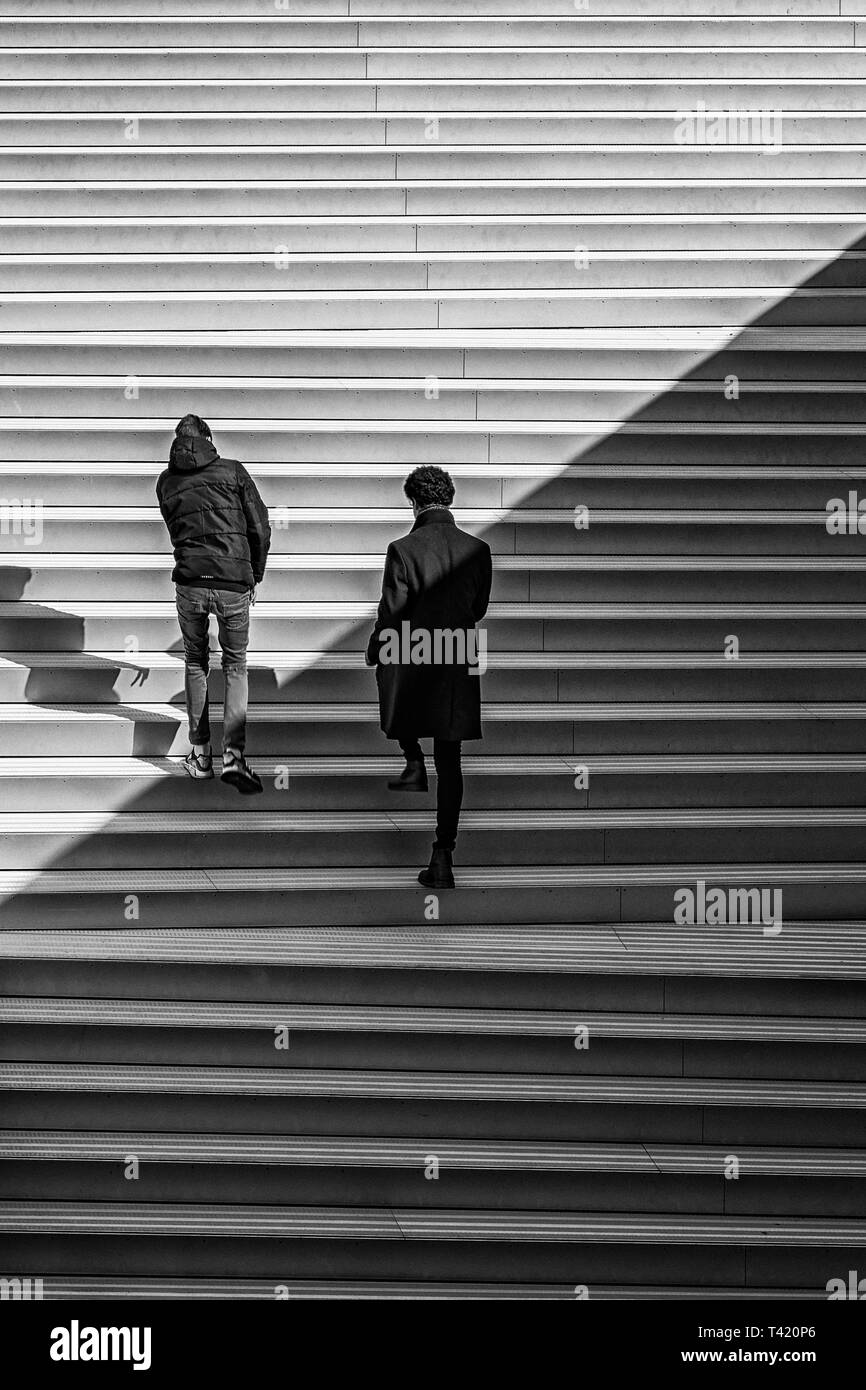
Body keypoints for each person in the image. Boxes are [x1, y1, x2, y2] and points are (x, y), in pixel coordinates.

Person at [366, 465, 492, 888]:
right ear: (449, 499)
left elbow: (393, 613)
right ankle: (443, 854)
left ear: (413, 502)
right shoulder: (478, 550)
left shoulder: (402, 550)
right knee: (451, 761)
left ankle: (412, 756)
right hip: (456, 656)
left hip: (414, 654)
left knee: (389, 676)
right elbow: (478, 609)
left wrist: (376, 646)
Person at [156, 414, 270, 794]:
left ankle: (201, 756)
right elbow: (260, 527)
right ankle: (234, 756)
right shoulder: (233, 471)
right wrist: (254, 573)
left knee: (195, 661)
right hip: (232, 581)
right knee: (235, 665)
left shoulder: (166, 481)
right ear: (208, 438)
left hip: (190, 581)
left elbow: (176, 529)